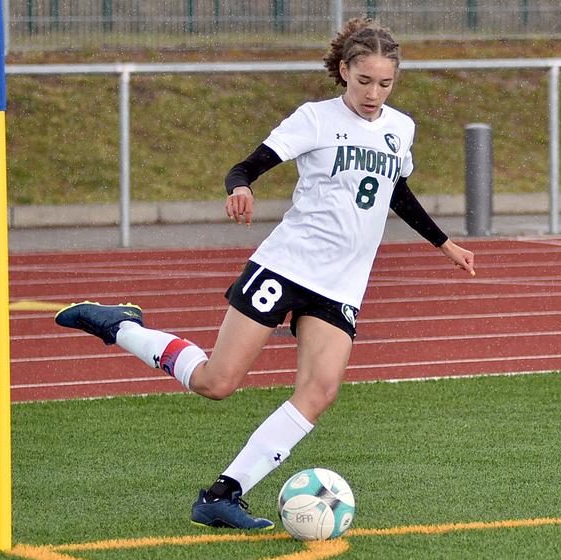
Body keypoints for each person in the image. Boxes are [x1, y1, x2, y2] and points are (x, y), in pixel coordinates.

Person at [55, 17, 475, 531]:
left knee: (319, 392)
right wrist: (241, 188)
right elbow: (245, 168)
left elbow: (396, 193)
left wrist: (443, 242)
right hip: (287, 264)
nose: (373, 93)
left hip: (341, 284)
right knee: (217, 382)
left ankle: (222, 495)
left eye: (385, 83)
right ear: (344, 71)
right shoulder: (314, 119)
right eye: (364, 81)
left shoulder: (400, 128)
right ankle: (120, 325)